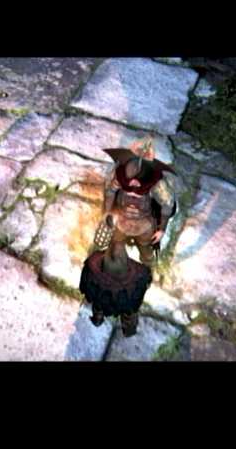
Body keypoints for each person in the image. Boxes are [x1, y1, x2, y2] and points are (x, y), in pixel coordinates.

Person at [79, 139, 177, 336]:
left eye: (137, 181)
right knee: (114, 251)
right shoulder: (119, 174)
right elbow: (110, 191)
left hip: (144, 225)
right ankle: (104, 314)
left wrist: (161, 229)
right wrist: (107, 212)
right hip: (121, 221)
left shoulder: (157, 184)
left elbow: (167, 205)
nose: (132, 184)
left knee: (146, 255)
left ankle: (146, 274)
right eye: (130, 180)